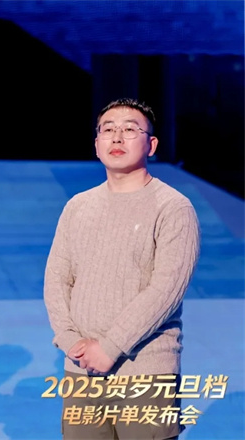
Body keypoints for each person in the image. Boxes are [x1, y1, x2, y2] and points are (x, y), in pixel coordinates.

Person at [43, 98, 200, 439]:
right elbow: (56, 279)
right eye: (108, 130)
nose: (117, 137)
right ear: (96, 143)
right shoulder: (78, 206)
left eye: (130, 129)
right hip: (81, 370)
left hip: (146, 372)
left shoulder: (174, 208)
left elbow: (166, 291)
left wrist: (110, 347)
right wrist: (70, 341)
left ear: (151, 145)